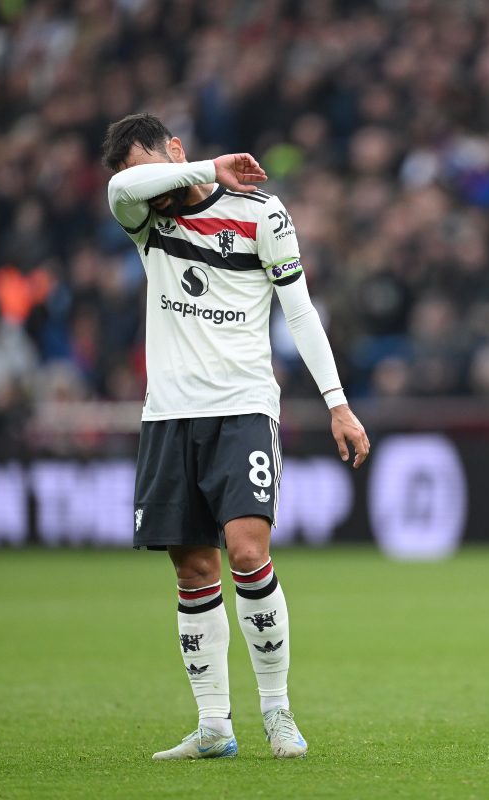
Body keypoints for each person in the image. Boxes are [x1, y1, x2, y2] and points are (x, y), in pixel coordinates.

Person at [102, 113, 370, 761]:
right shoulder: (144, 217)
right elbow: (118, 192)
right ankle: (214, 725)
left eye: (151, 169)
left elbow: (298, 310)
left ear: (175, 149)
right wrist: (202, 169)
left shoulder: (262, 214)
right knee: (193, 568)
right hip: (169, 414)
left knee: (247, 551)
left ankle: (277, 711)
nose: (145, 186)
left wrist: (337, 404)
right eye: (136, 177)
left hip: (243, 406)